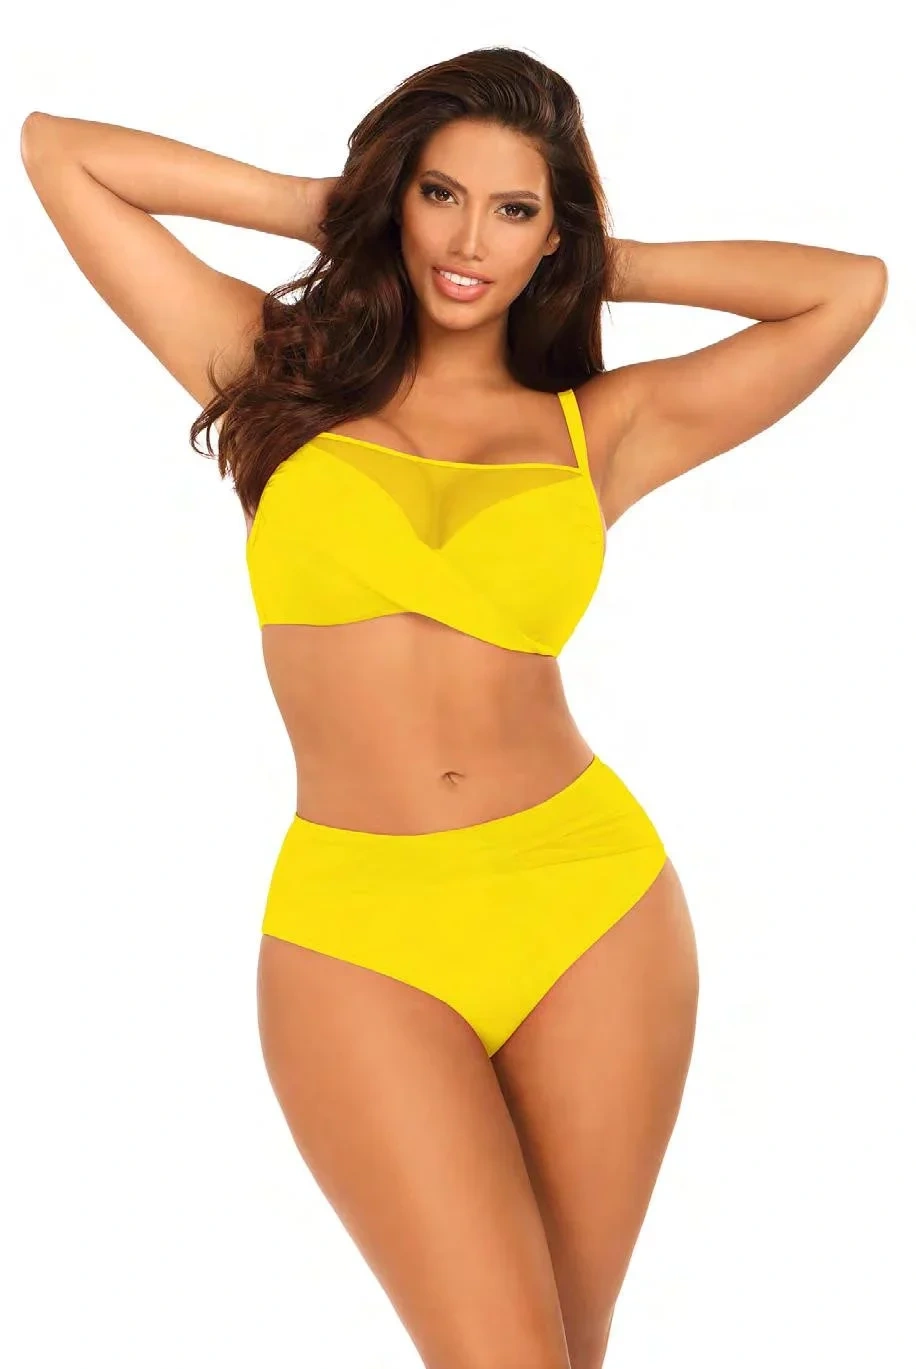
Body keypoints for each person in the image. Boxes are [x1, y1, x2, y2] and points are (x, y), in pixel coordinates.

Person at [21, 45, 886, 1369]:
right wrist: (340, 208)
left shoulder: (603, 429)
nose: (468, 240)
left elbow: (847, 289)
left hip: (588, 907)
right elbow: (59, 151)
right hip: (358, 930)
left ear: (555, 231)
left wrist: (593, 264)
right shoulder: (270, 372)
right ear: (400, 198)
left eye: (514, 209)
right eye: (440, 195)